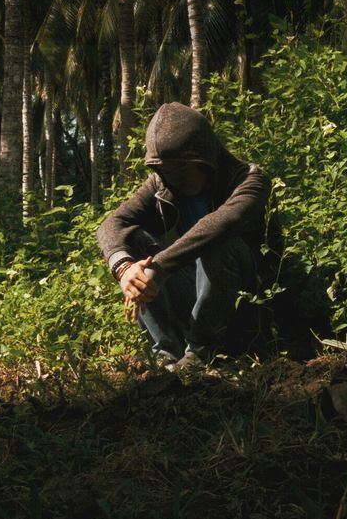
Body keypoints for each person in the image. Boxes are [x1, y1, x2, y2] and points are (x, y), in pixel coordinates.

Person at [96, 101, 278, 372]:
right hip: (190, 295)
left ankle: (201, 353)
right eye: (164, 170)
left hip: (245, 305)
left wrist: (159, 267)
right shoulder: (161, 184)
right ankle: (167, 355)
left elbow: (224, 223)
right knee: (132, 240)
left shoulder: (251, 180)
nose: (173, 177)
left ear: (206, 159)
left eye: (181, 167)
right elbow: (113, 223)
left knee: (219, 241)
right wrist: (124, 269)